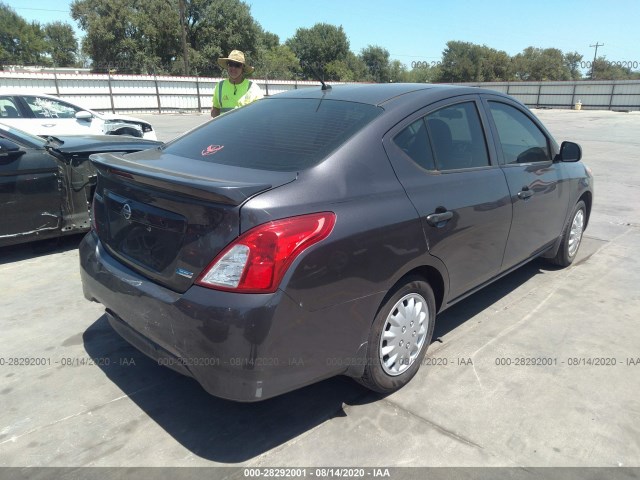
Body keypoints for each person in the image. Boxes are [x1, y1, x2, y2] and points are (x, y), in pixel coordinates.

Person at [211, 50, 263, 118]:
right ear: (227, 66)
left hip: (245, 128)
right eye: (231, 64)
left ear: (243, 68)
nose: (233, 68)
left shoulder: (253, 88)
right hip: (225, 128)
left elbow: (260, 113)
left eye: (237, 65)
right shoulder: (219, 86)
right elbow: (214, 112)